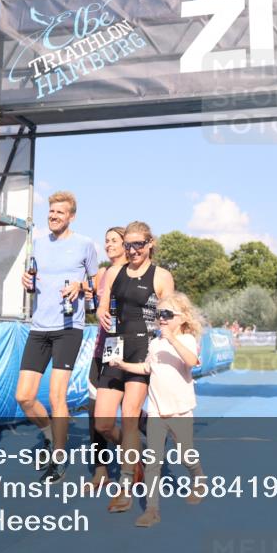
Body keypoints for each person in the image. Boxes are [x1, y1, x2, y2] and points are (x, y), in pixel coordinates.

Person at [17, 191, 98, 483]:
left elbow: (95, 285)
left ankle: (59, 459)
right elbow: (32, 279)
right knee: (24, 396)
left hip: (68, 328)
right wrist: (26, 282)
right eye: (51, 212)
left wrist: (81, 286)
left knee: (56, 395)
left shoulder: (84, 245)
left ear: (71, 216)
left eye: (59, 213)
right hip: (39, 327)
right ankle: (50, 435)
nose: (53, 216)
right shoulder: (37, 244)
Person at [95, 220, 174, 513]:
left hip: (143, 346)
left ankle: (126, 485)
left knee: (128, 414)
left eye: (138, 245)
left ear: (150, 243)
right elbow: (103, 306)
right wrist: (103, 314)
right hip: (115, 345)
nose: (132, 250)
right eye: (128, 245)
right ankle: (136, 456)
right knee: (103, 422)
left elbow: (169, 315)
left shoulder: (161, 276)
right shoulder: (114, 271)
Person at [111, 292, 206, 527]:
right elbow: (147, 368)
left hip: (181, 410)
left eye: (167, 314)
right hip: (155, 410)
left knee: (186, 454)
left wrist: (172, 339)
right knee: (154, 462)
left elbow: (191, 362)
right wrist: (122, 364)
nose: (161, 318)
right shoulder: (155, 343)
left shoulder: (186, 340)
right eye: (158, 314)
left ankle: (198, 477)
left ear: (182, 318)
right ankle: (152, 510)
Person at [86, 225, 127, 490]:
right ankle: (101, 469)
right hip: (101, 346)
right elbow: (95, 309)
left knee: (122, 409)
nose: (109, 244)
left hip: (123, 345)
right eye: (107, 240)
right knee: (94, 411)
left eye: (115, 240)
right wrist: (91, 299)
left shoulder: (131, 272)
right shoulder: (102, 272)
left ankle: (132, 453)